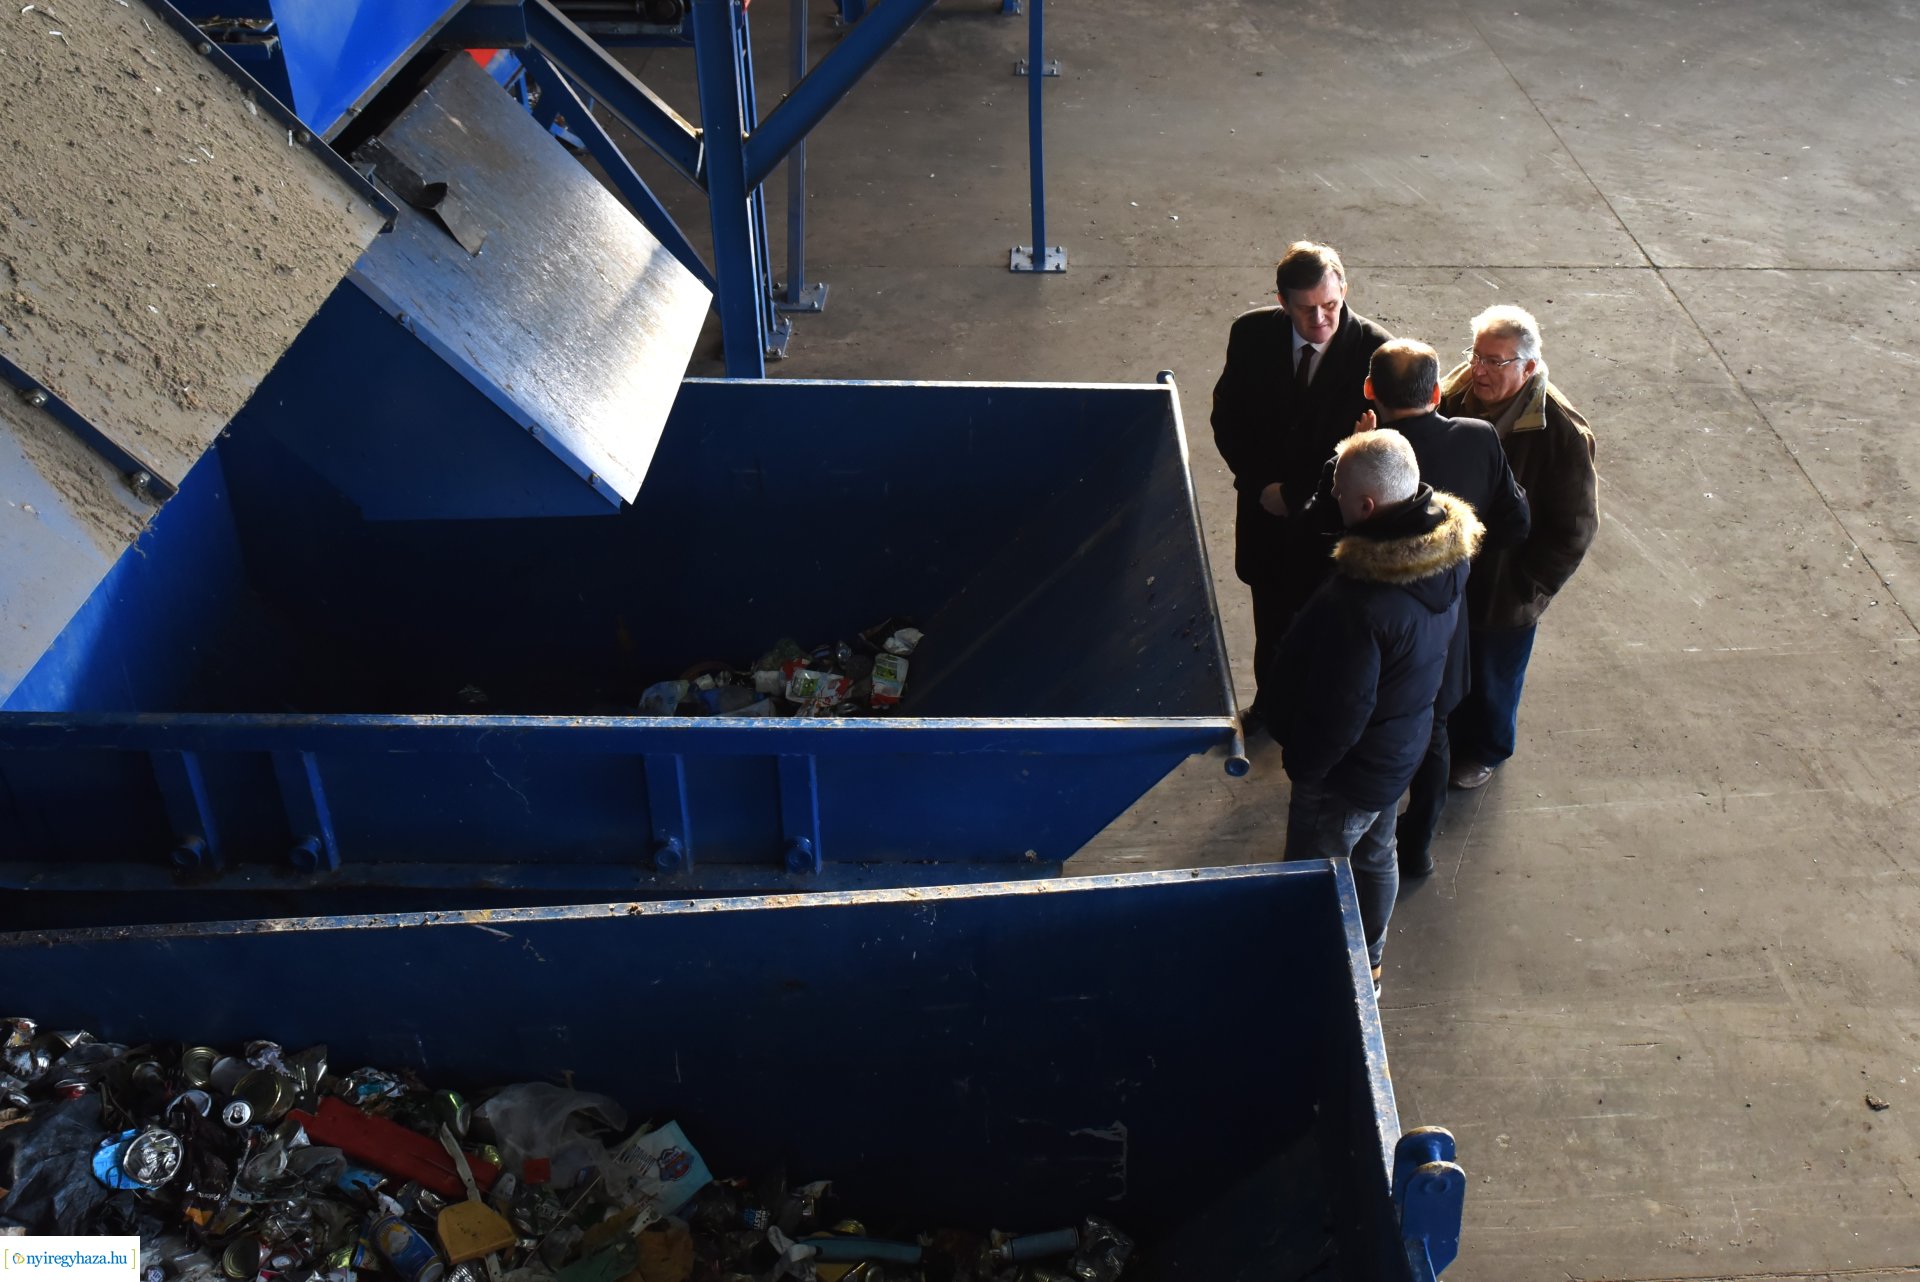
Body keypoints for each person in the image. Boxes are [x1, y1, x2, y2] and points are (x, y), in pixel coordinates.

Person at [1274, 429, 1484, 984]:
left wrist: (1305, 766)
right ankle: (1370, 958)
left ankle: (1308, 968)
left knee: (1314, 868)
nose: (1333, 498)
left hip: (1347, 769)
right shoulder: (1444, 556)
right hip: (1398, 750)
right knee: (1375, 853)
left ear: (1366, 506)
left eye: (1340, 491)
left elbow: (1342, 709)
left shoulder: (1361, 602)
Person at [1330, 340, 1531, 877]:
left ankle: (1355, 848)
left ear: (1370, 390)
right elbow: (1516, 523)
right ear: (1438, 392)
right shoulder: (1479, 438)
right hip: (1447, 621)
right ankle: (1416, 847)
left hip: (1370, 628)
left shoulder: (1366, 457)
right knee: (1435, 732)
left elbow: (1325, 535)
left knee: (1363, 732)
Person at [1211, 241, 1391, 729]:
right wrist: (1260, 486)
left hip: (1331, 524)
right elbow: (1228, 419)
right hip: (1266, 518)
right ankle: (1271, 708)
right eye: (1306, 309)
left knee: (1331, 633)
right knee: (1270, 624)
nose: (1321, 319)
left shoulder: (1376, 352)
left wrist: (1293, 494)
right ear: (1282, 302)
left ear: (1344, 290)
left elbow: (1372, 450)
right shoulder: (1251, 335)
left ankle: (1319, 720)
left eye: (1330, 304)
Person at [1437, 306, 1598, 789]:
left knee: (1493, 677)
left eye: (1496, 362)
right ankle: (1445, 741)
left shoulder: (1560, 433)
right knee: (1447, 666)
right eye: (1476, 356)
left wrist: (1527, 586)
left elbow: (1574, 528)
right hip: (1449, 570)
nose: (1480, 370)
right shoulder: (1452, 395)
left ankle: (1485, 751)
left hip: (1505, 587)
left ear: (1528, 367)